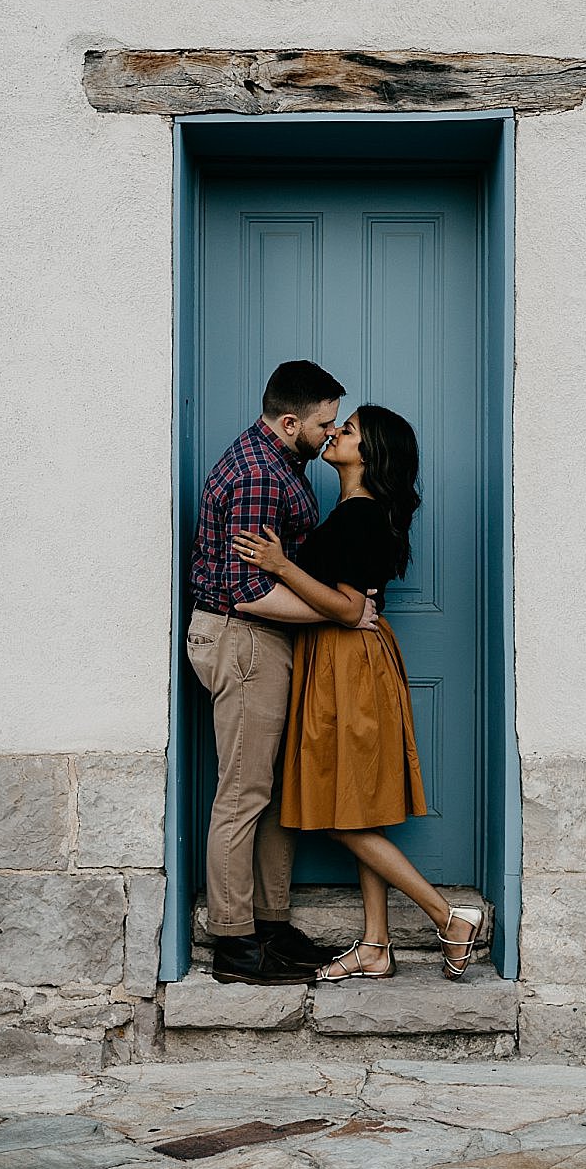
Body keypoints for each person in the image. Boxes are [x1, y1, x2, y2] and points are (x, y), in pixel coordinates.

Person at [232, 404, 483, 981]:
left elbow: (348, 609)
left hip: (349, 662)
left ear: (368, 456)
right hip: (347, 660)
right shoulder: (352, 511)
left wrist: (279, 565)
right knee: (359, 805)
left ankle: (449, 916)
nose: (335, 434)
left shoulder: (359, 517)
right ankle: (375, 946)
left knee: (344, 816)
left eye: (347, 432)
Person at [187, 359, 377, 987]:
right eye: (325, 424)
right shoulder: (258, 475)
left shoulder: (282, 463)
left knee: (269, 795)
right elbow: (246, 590)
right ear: (289, 421)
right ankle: (235, 943)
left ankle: (267, 925)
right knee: (242, 796)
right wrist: (344, 617)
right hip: (245, 638)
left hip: (269, 642)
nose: (331, 434)